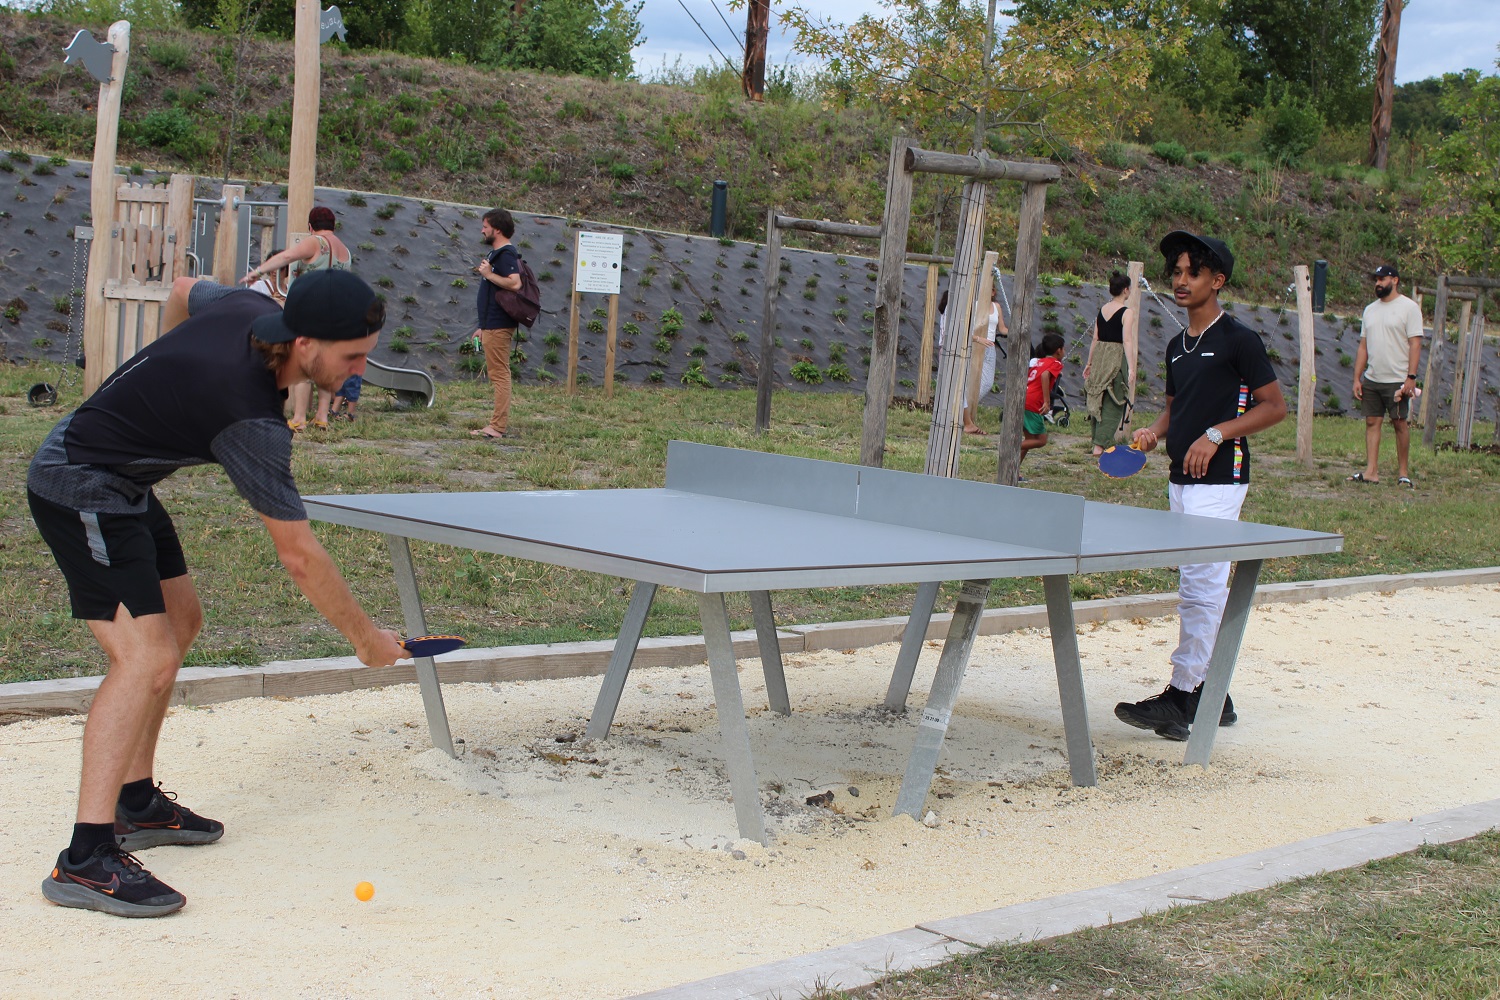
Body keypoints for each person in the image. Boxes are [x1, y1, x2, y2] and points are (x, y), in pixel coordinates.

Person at [27, 269, 408, 918]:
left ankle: (136, 801)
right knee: (143, 657)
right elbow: (298, 557)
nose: (360, 370)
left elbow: (182, 288)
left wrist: (163, 377)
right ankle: (86, 859)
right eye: (352, 356)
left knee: (181, 620)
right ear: (306, 344)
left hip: (125, 479)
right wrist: (367, 640)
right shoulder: (249, 416)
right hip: (78, 482)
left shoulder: (247, 305)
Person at [1114, 231, 1286, 741]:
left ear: (1218, 280)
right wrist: (1152, 432)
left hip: (1221, 478)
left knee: (1201, 586)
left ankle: (1183, 696)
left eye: (1193, 272)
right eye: (1177, 272)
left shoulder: (1239, 341)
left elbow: (1273, 407)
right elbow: (1174, 409)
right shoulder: (1176, 346)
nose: (1182, 281)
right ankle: (1217, 695)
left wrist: (1217, 434)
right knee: (1196, 580)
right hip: (1180, 480)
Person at [244, 206, 353, 432]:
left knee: (302, 364)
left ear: (311, 226)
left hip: (310, 310)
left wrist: (258, 271)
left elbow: (287, 256)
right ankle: (322, 416)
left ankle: (299, 417)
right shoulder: (345, 251)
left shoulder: (316, 242)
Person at [1349, 264, 1423, 487]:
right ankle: (1371, 471)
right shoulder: (1370, 310)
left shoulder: (1409, 308)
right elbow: (1363, 346)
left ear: (1395, 280)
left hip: (1398, 379)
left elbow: (1415, 344)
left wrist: (1411, 376)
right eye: (1376, 279)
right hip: (1373, 378)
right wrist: (1357, 377)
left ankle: (1403, 473)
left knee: (1400, 423)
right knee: (1372, 422)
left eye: (1382, 279)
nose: (1378, 283)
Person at [470, 208, 523, 439]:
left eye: (485, 226)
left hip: (499, 323)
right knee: (498, 373)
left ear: (497, 229)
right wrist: (483, 325)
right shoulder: (497, 254)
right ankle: (496, 424)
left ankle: (497, 427)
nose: (482, 230)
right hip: (491, 324)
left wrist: (490, 274)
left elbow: (515, 284)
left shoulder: (506, 254)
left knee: (500, 374)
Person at [1083, 271, 1132, 456]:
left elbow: (1095, 338)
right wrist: (1132, 368)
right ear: (1125, 290)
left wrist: (1089, 363)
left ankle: (1096, 440)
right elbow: (1127, 341)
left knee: (1098, 397)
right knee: (1115, 398)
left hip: (1100, 356)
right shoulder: (1127, 312)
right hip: (1116, 356)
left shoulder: (1102, 309)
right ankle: (1099, 445)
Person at [1020, 333, 1066, 473]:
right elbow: (1045, 375)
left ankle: (1014, 470)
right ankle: (1010, 445)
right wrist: (1047, 402)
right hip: (1034, 403)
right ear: (1058, 350)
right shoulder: (1056, 363)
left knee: (1029, 439)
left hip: (1023, 398)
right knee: (1041, 440)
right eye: (1063, 349)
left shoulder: (1038, 362)